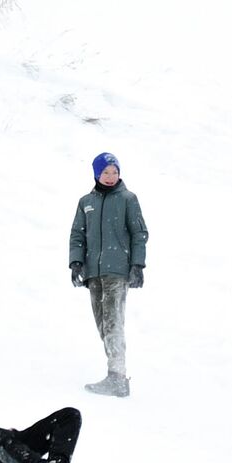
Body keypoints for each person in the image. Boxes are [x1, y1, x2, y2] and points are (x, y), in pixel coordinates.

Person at [68, 152, 148, 397]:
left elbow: (139, 233)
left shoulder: (127, 199)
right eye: (106, 172)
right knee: (103, 323)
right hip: (94, 272)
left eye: (115, 172)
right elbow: (77, 235)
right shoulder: (86, 202)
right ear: (96, 173)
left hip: (117, 271)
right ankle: (115, 374)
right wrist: (76, 262)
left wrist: (137, 266)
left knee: (113, 322)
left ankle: (118, 377)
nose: (111, 177)